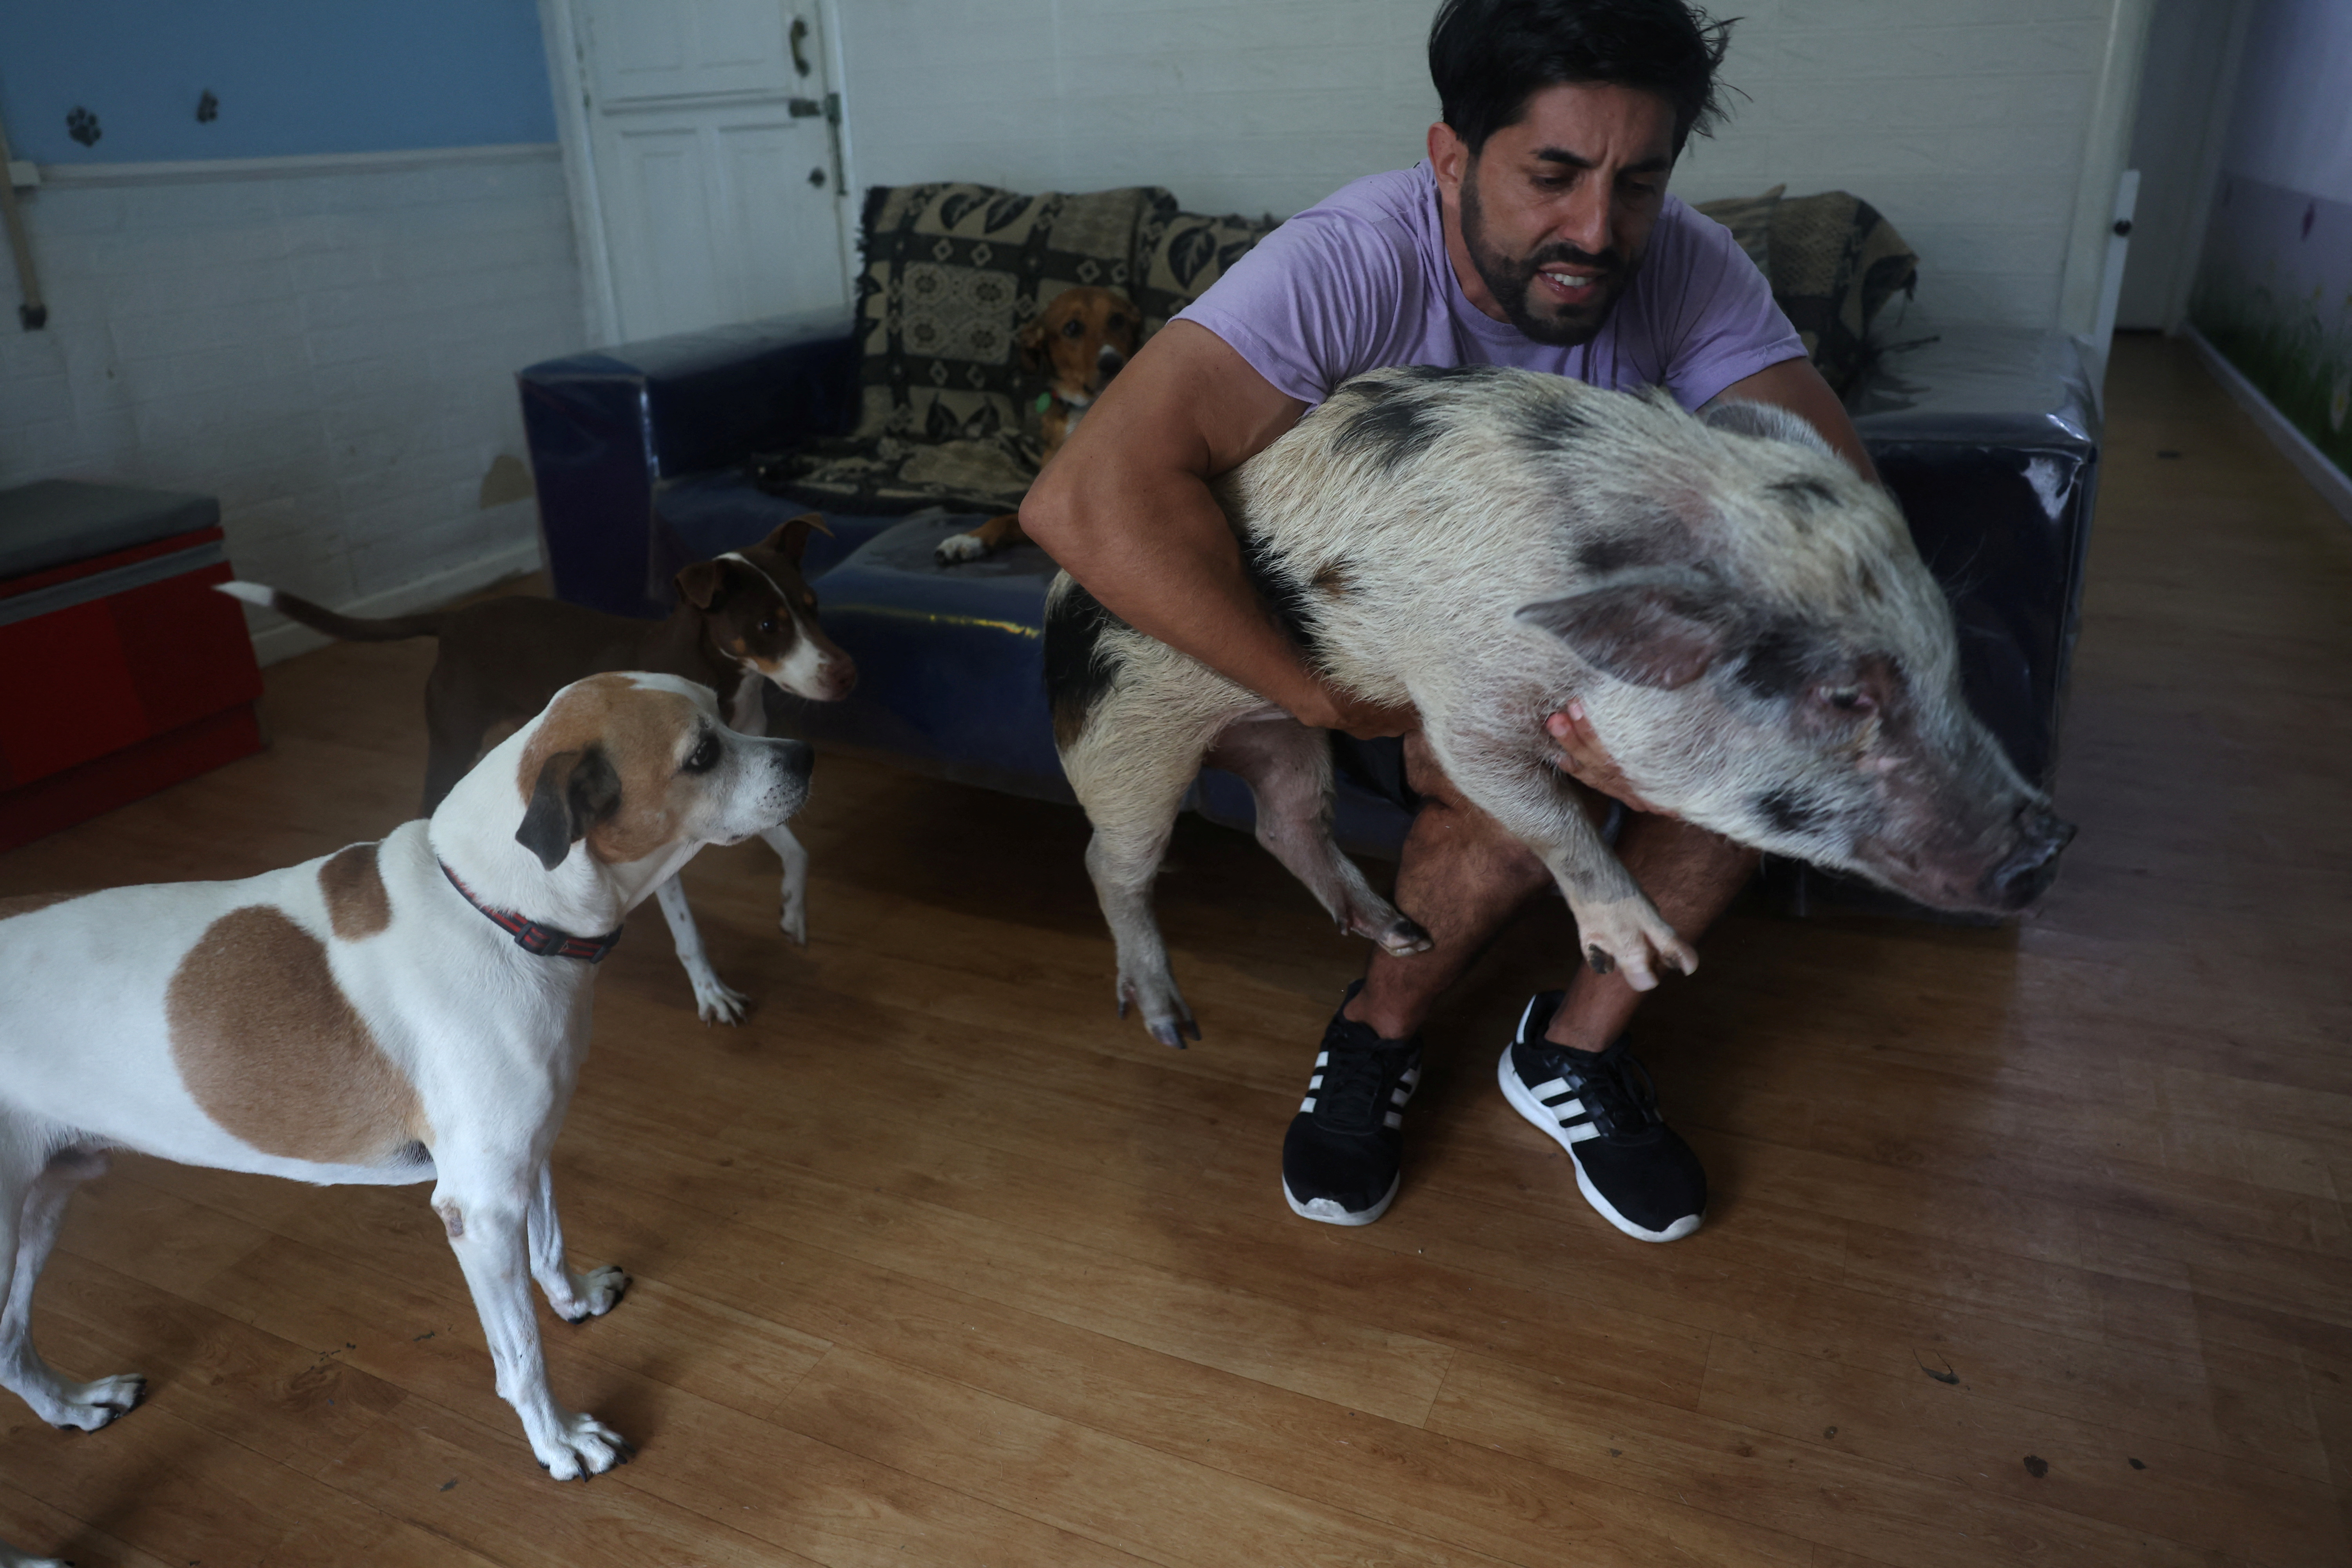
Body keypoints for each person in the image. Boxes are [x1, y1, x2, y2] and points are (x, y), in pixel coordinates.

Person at [1020, 0, 1880, 1243]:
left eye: (1639, 182)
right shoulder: (1350, 260)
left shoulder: (1683, 260)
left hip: (1548, 631)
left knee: (1760, 744)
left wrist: (1709, 685)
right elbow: (1086, 496)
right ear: (1450, 159)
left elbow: (1836, 506)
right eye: (1553, 176)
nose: (1597, 230)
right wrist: (1331, 701)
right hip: (1338, 644)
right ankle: (1379, 1031)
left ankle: (1572, 1054)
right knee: (1498, 782)